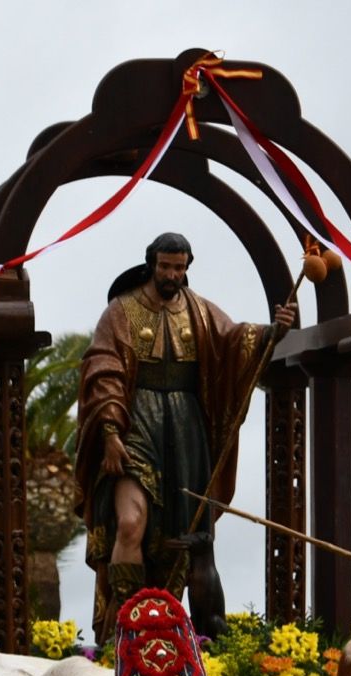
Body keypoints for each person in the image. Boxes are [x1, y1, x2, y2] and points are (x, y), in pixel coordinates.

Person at [74, 231, 296, 640]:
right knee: (129, 522)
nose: (172, 274)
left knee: (186, 535)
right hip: (135, 424)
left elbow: (234, 341)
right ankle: (128, 630)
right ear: (151, 264)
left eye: (179, 267)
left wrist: (271, 334)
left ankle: (170, 626)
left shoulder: (198, 311)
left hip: (185, 428)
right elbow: (102, 369)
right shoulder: (121, 312)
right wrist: (108, 431)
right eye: (165, 266)